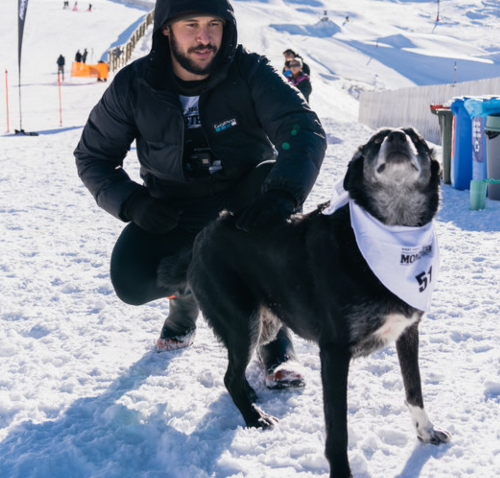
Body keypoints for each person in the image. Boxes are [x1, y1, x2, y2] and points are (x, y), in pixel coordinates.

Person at [74, 0, 326, 388]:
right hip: (172, 207)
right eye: (190, 25)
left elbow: (303, 129)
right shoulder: (134, 85)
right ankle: (187, 293)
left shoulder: (251, 72)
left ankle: (275, 343)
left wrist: (282, 196)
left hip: (245, 205)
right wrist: (133, 203)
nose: (204, 37)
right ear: (166, 30)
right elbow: (93, 156)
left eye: (214, 24)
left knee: (268, 206)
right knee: (131, 279)